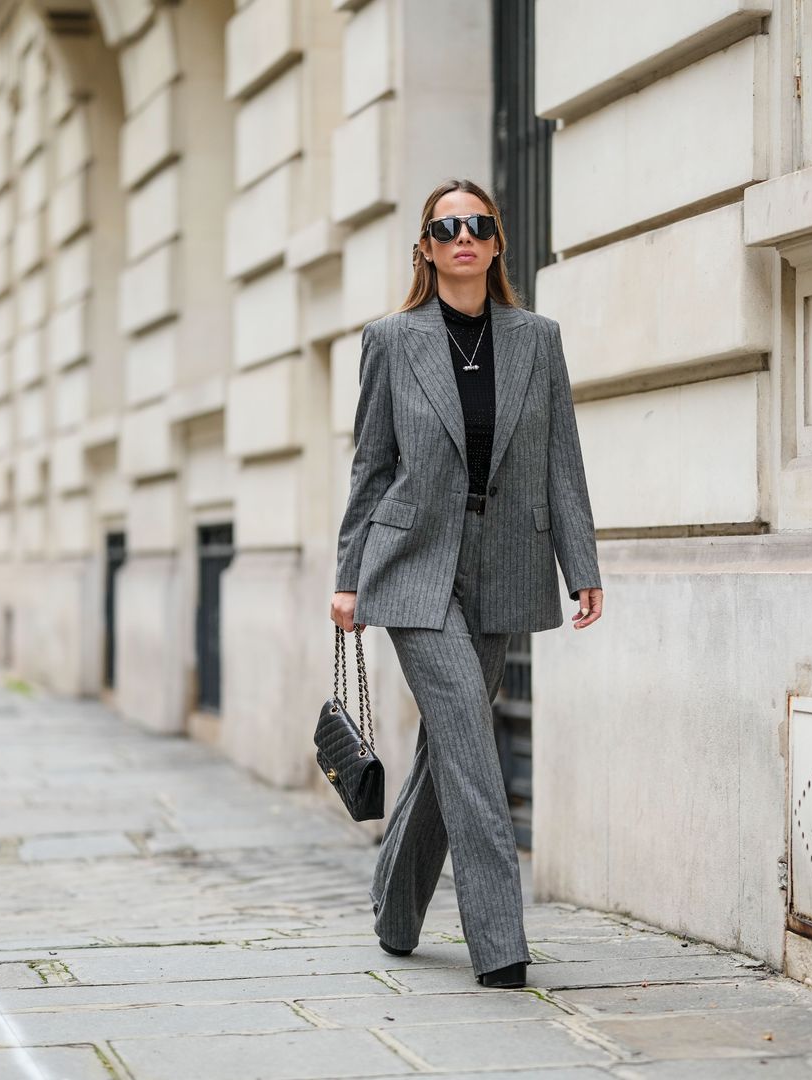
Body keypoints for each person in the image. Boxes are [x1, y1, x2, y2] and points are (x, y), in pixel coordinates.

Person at [330, 178, 603, 989]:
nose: (463, 237)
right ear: (425, 246)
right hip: (412, 563)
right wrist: (348, 578)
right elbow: (371, 468)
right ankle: (500, 943)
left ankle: (394, 907)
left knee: (447, 748)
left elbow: (563, 460)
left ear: (496, 243)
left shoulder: (536, 339)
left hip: (504, 560)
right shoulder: (392, 339)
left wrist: (581, 566)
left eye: (478, 224)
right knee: (472, 746)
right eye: (446, 227)